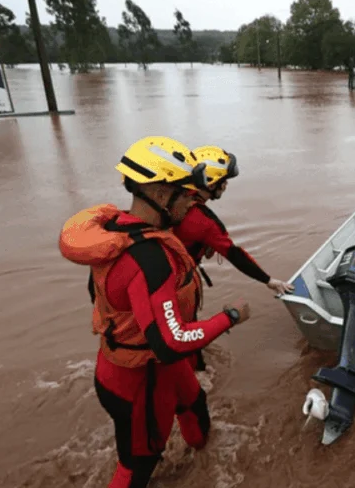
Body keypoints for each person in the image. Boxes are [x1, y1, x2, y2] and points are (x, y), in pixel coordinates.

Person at [58, 136, 251, 488]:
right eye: (186, 194)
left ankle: (204, 469)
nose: (194, 203)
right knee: (139, 464)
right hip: (137, 381)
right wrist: (231, 317)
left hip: (151, 367)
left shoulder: (117, 229)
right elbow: (170, 341)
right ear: (162, 194)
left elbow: (98, 294)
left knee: (194, 404)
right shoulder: (149, 258)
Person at [173, 145, 294, 296]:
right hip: (176, 283)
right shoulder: (206, 221)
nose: (226, 185)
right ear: (210, 184)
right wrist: (268, 280)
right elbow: (234, 254)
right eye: (224, 181)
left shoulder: (171, 199)